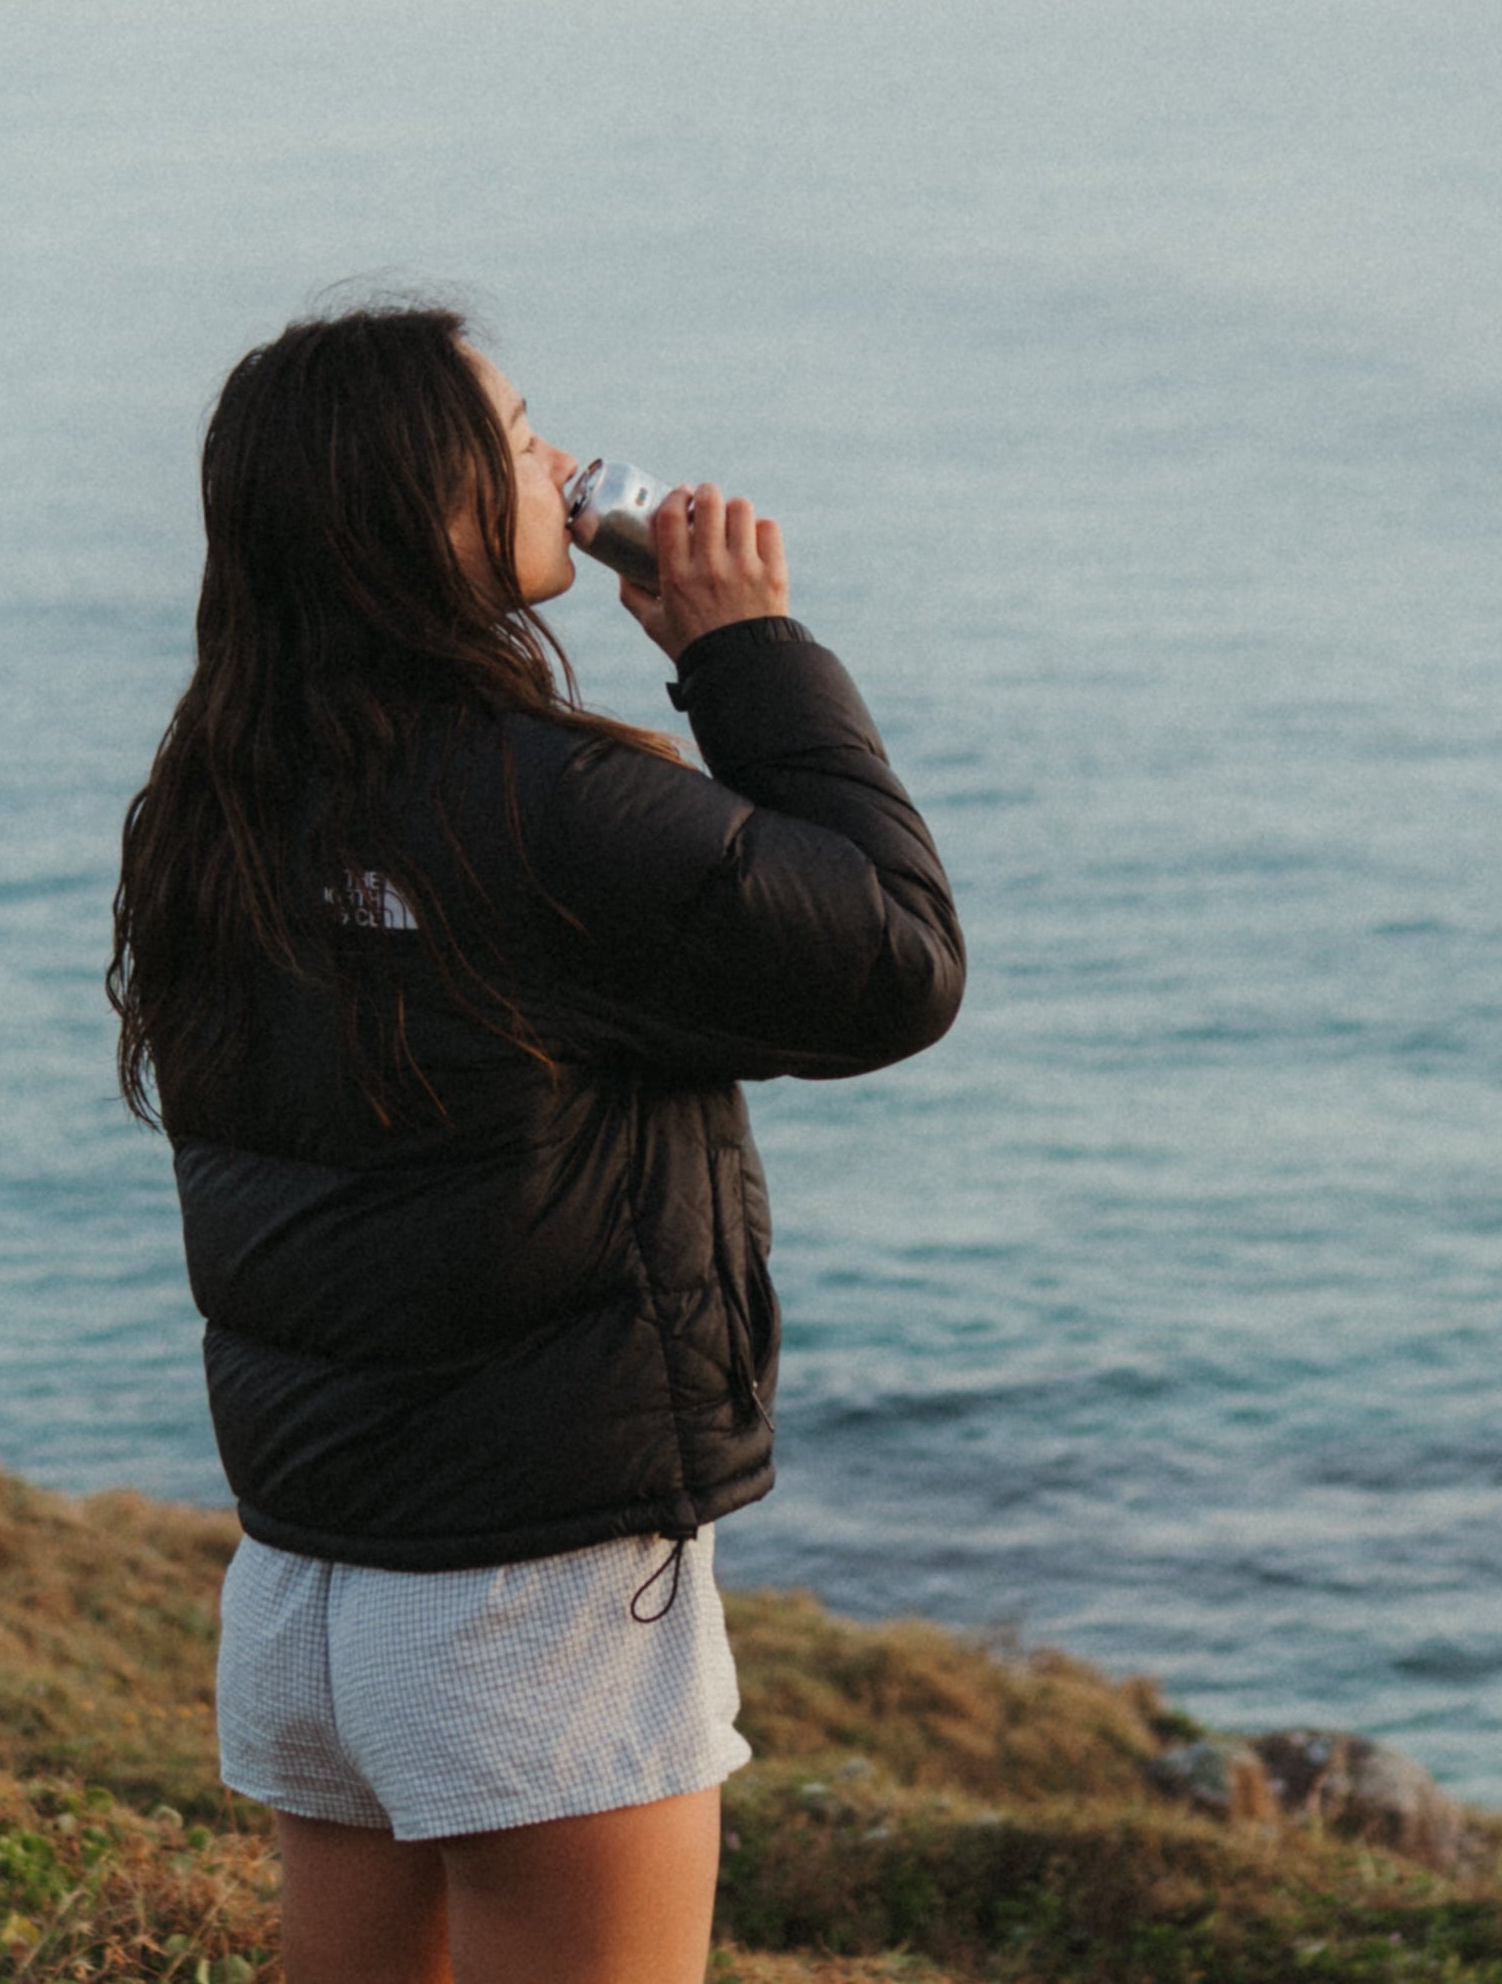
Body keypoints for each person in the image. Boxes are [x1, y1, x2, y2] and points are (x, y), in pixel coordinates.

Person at [109, 301, 963, 1984]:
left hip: (314, 1579)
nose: (561, 466)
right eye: (512, 440)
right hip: (529, 1589)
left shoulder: (214, 799)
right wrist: (746, 652)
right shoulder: (540, 807)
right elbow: (889, 964)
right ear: (428, 510)